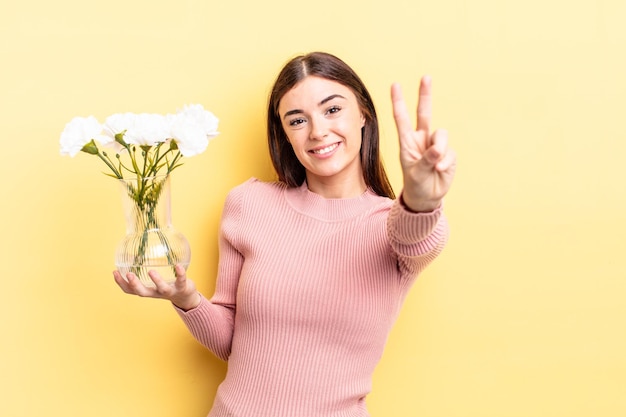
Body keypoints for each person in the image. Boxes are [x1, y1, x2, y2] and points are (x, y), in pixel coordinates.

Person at [114, 51, 456, 417]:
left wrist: (420, 200)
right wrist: (188, 300)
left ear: (364, 115)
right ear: (284, 134)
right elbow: (232, 342)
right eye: (297, 120)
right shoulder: (249, 204)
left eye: (333, 110)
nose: (318, 131)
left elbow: (418, 236)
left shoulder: (392, 226)